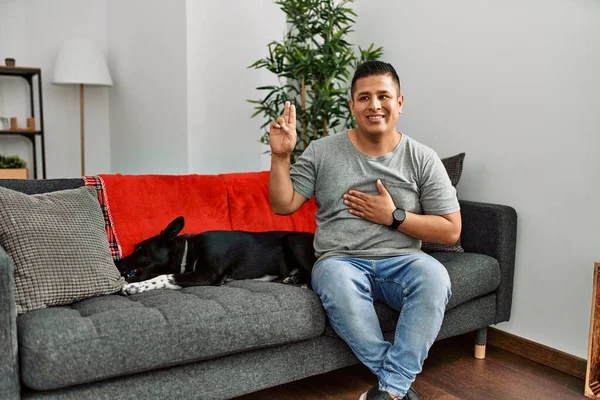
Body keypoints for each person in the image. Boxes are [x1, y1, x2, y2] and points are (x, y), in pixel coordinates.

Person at [267, 60, 461, 400]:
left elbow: (450, 231)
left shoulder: (422, 158)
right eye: (364, 97)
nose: (374, 105)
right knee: (334, 278)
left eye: (384, 96)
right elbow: (284, 204)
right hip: (341, 261)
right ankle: (396, 387)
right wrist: (280, 156)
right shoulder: (323, 151)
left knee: (436, 278)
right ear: (352, 105)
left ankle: (388, 390)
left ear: (399, 102)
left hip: (403, 261)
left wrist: (394, 216)